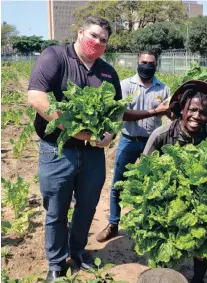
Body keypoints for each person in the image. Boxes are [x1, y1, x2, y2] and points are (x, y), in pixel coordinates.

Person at [27, 16, 121, 282]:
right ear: (80, 32)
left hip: (93, 154)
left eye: (103, 40)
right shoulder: (55, 56)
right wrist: (76, 130)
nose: (97, 43)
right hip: (58, 149)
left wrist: (109, 135)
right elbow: (36, 97)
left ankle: (78, 251)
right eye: (93, 36)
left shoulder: (107, 72)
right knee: (56, 208)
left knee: (87, 205)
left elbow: (116, 112)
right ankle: (56, 263)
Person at [143, 80, 207, 283]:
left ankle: (198, 278)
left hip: (202, 203)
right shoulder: (161, 136)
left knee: (203, 241)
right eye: (192, 109)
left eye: (203, 112)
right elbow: (142, 171)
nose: (197, 116)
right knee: (165, 246)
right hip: (164, 202)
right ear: (181, 109)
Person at [96, 50, 170, 242]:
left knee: (153, 185)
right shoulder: (126, 85)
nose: (147, 66)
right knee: (117, 184)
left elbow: (169, 115)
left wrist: (174, 110)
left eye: (151, 63)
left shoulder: (163, 89)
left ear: (156, 65)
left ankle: (148, 227)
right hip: (128, 140)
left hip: (153, 142)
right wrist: (155, 111)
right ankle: (113, 223)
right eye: (144, 62)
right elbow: (123, 114)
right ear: (137, 63)